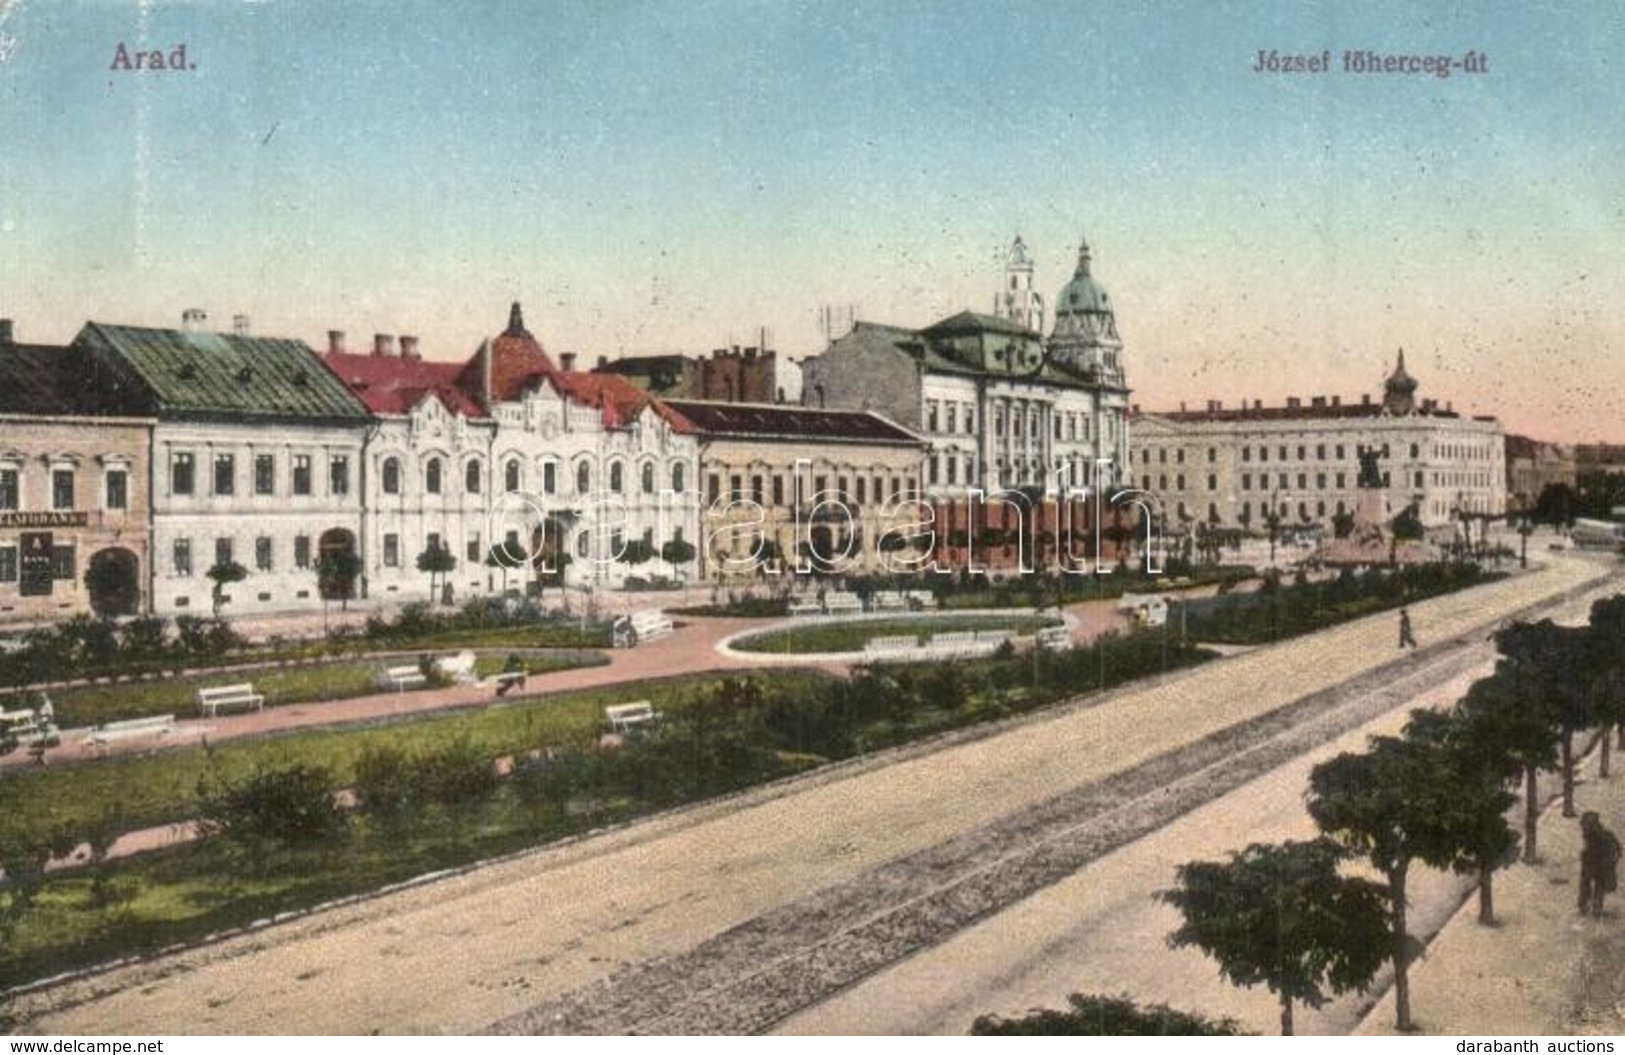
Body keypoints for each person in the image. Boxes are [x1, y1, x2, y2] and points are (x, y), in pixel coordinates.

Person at [1579, 811, 1622, 918]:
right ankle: (1588, 906)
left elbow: (1615, 850)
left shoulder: (1601, 836)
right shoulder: (1598, 835)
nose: (1583, 829)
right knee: (1592, 884)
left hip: (1601, 864)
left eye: (1586, 826)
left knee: (1596, 884)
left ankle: (1591, 906)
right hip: (1596, 863)